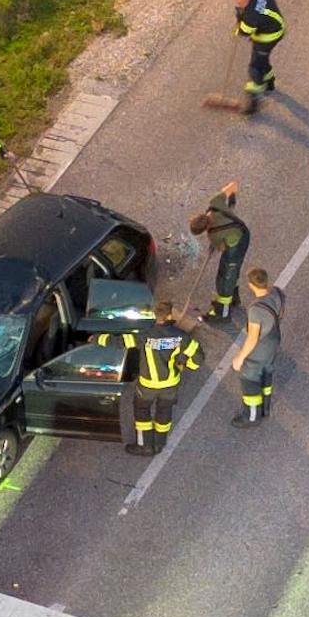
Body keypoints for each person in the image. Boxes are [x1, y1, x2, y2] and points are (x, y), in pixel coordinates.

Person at [127, 303, 201, 454]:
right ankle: (159, 443)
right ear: (169, 315)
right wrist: (186, 366)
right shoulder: (181, 336)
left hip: (147, 386)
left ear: (155, 315)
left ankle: (144, 445)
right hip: (170, 385)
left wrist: (97, 338)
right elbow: (198, 358)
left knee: (142, 412)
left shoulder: (145, 335)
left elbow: (120, 342)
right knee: (164, 411)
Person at [231, 267, 284, 428]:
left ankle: (252, 417)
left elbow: (253, 338)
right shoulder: (276, 292)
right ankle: (265, 407)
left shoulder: (256, 310)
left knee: (249, 379)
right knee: (266, 372)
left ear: (251, 285)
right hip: (273, 340)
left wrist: (239, 357)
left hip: (260, 349)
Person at [190, 182, 251, 323]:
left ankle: (223, 314)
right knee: (230, 271)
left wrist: (216, 244)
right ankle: (234, 298)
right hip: (242, 230)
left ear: (204, 229)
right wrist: (232, 198)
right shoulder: (215, 203)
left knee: (226, 278)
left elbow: (223, 247)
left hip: (236, 244)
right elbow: (233, 185)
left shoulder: (213, 234)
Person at [233, 0, 285, 109]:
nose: (239, 5)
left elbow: (244, 31)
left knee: (255, 66)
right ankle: (269, 81)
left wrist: (239, 19)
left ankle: (253, 100)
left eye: (240, 3)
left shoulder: (252, 15)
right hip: (275, 23)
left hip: (269, 36)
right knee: (262, 59)